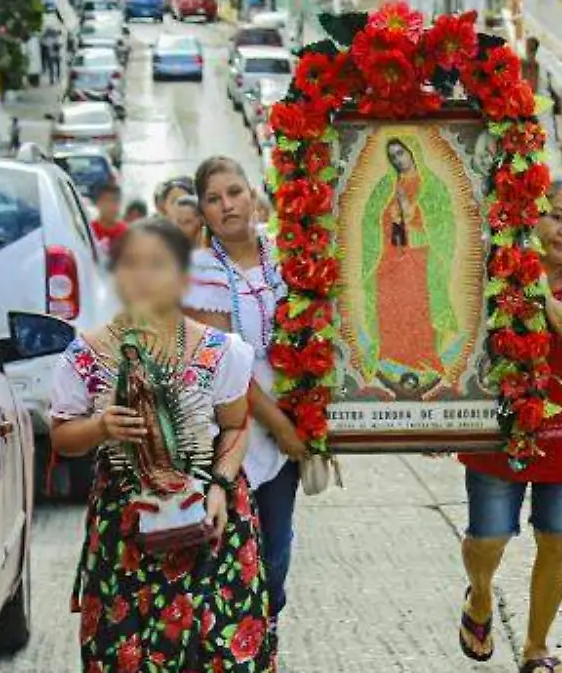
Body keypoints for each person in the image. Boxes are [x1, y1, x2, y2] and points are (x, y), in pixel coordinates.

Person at [50, 221, 273, 671]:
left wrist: (219, 487)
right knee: (124, 655)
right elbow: (62, 436)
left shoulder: (220, 351)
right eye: (131, 264)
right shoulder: (86, 355)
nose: (143, 277)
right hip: (125, 529)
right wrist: (100, 428)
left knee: (216, 653)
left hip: (210, 521)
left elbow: (235, 427)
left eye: (158, 264)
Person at [457, 175, 562, 673]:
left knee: (557, 540)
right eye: (557, 216)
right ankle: (480, 597)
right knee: (487, 538)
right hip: (499, 437)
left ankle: (536, 648)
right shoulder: (499, 263)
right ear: (536, 215)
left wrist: (547, 303)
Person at [183, 156, 307, 664]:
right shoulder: (202, 272)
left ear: (253, 195)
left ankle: (264, 643)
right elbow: (226, 366)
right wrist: (279, 424)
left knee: (276, 551)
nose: (228, 205)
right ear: (204, 212)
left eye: (235, 192)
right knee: (231, 552)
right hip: (232, 432)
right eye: (214, 199)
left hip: (289, 424)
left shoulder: (286, 253)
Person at [359, 137, 458, 389]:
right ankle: (391, 356)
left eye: (401, 153)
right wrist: (390, 218)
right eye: (392, 156)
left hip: (418, 259)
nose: (398, 160)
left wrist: (411, 214)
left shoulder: (432, 186)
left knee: (416, 307)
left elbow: (444, 225)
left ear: (413, 151)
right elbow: (370, 218)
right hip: (390, 258)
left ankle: (422, 358)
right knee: (391, 307)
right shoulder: (386, 185)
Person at [91, 183, 128, 251]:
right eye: (108, 201)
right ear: (98, 203)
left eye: (115, 201)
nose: (112, 206)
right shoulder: (90, 230)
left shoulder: (126, 233)